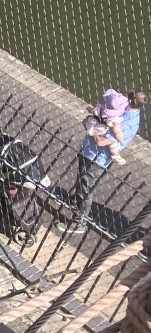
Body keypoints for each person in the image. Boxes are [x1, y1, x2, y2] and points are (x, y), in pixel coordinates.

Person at [60, 89, 144, 234]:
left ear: (129, 102)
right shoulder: (119, 110)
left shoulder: (129, 121)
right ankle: (75, 202)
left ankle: (80, 221)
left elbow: (103, 142)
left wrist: (91, 129)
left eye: (125, 97)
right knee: (82, 181)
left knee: (86, 188)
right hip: (88, 151)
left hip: (98, 158)